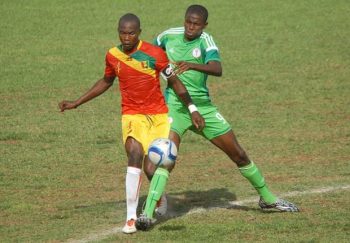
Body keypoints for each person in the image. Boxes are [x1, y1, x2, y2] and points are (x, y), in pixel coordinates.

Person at [136, 4, 299, 231]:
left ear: (204, 25)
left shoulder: (206, 41)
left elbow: (217, 68)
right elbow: (149, 56)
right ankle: (147, 214)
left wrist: (191, 64)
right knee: (165, 157)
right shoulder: (167, 36)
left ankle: (268, 198)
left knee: (239, 154)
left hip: (204, 108)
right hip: (175, 106)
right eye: (188, 22)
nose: (191, 27)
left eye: (196, 24)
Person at [58, 13, 205, 234]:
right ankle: (131, 218)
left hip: (158, 117)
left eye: (131, 33)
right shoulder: (113, 55)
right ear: (118, 32)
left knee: (151, 168)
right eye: (123, 33)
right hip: (132, 115)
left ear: (139, 33)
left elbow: (174, 81)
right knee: (134, 154)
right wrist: (76, 103)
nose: (127, 37)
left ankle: (158, 196)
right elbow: (106, 80)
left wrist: (192, 109)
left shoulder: (155, 54)